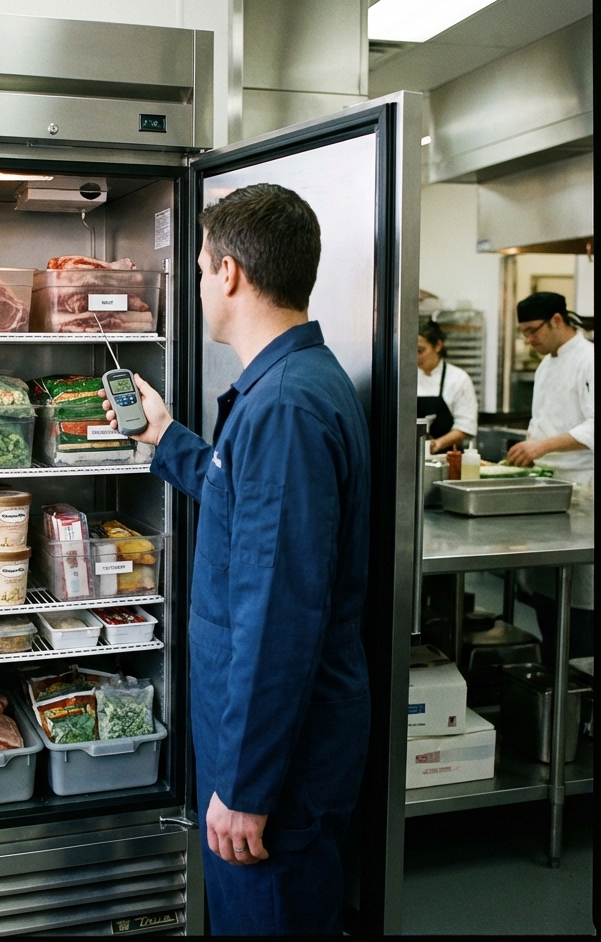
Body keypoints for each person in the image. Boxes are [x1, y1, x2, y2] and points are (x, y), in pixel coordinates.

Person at [101, 184, 370, 936]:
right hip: (266, 743)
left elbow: (279, 614)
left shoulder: (284, 406)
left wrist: (247, 787)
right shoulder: (290, 386)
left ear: (229, 275)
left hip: (276, 764)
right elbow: (246, 496)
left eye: (196, 267)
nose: (195, 285)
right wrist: (165, 439)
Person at [509, 291, 593, 659]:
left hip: (583, 493)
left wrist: (541, 448)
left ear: (557, 320)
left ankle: (576, 691)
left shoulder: (589, 360)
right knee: (547, 598)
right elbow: (540, 422)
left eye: (532, 331)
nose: (529, 340)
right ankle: (552, 670)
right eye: (523, 333)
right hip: (547, 491)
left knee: (579, 602)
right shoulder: (546, 364)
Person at [417, 318, 479, 453]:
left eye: (420, 350)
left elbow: (465, 426)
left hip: (447, 459)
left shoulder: (458, 379)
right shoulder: (405, 378)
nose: (416, 357)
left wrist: (438, 444)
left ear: (438, 346)